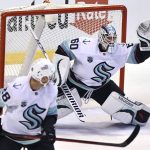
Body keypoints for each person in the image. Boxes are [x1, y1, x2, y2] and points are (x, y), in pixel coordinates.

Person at [54, 20, 150, 126]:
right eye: (109, 38)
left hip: (101, 87)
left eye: (114, 38)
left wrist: (146, 41)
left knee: (140, 116)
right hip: (74, 84)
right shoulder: (85, 45)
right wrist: (59, 73)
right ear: (101, 37)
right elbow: (63, 48)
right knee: (48, 110)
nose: (112, 41)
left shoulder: (120, 50)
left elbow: (139, 56)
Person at [0, 58, 58, 150]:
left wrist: (49, 128)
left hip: (37, 137)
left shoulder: (51, 89)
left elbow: (51, 114)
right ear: (42, 78)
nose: (51, 78)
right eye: (49, 76)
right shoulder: (17, 88)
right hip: (11, 136)